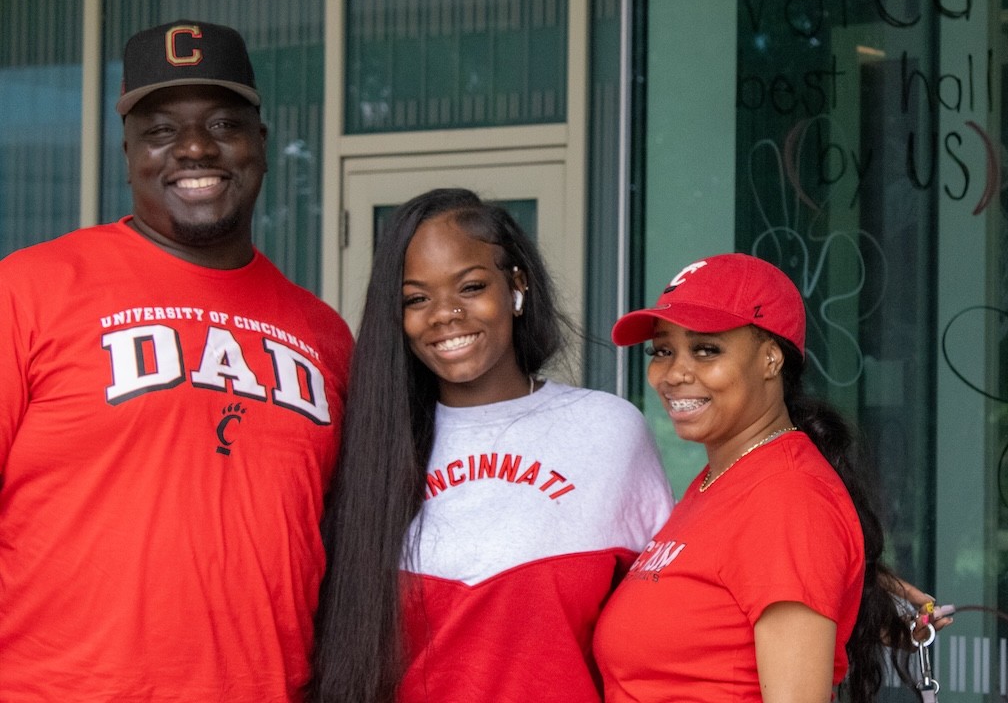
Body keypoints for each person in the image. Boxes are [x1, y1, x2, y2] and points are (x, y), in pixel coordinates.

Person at [0, 20, 352, 701]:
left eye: (224, 124)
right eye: (161, 130)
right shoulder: (28, 290)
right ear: (129, 152)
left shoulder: (326, 336)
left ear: (263, 146)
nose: (194, 148)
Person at [308, 188, 674, 703]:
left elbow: (666, 634)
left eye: (471, 286)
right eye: (417, 298)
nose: (444, 315)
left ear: (516, 284)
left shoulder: (608, 433)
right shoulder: (372, 451)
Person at [593, 253, 937, 703]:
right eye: (662, 351)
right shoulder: (724, 481)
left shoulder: (789, 498)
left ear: (771, 358)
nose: (673, 373)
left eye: (706, 349)